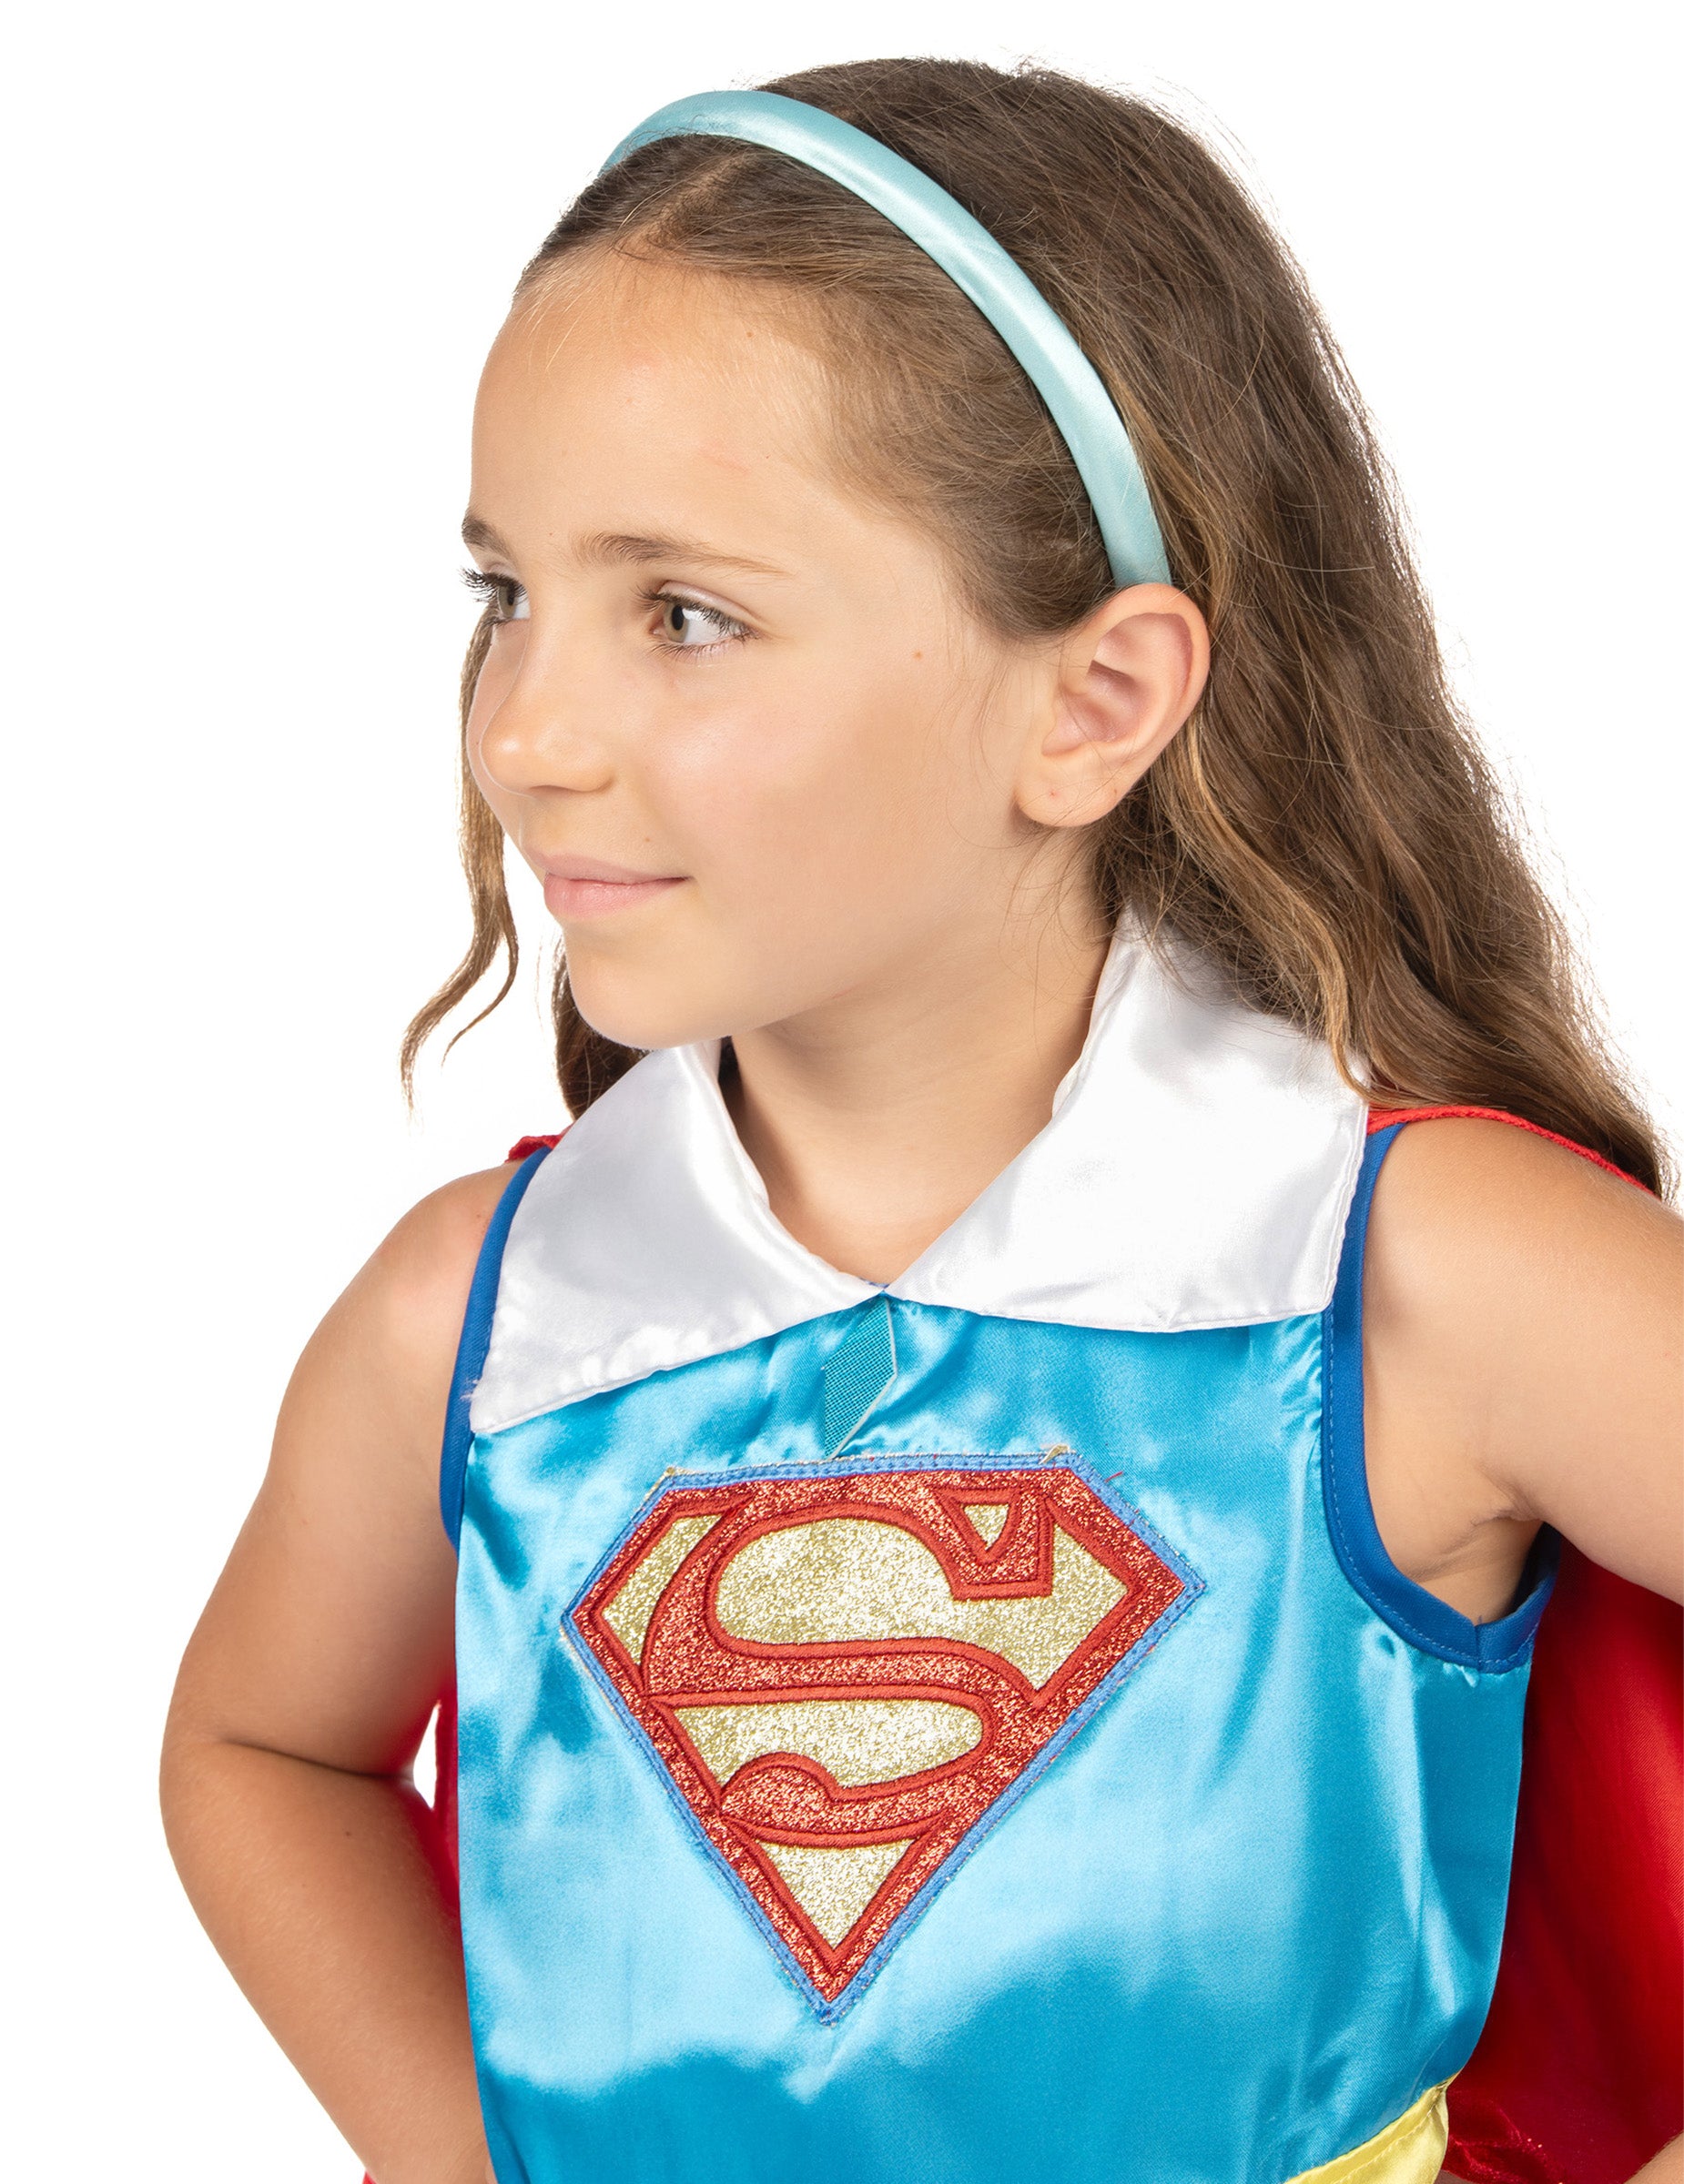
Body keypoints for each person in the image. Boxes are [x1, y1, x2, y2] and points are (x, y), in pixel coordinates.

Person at [159, 56, 1681, 2184]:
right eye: (506, 594)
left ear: (1093, 701)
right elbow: (260, 1750)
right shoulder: (476, 1328)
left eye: (686, 614)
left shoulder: (1416, 1279)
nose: (527, 733)